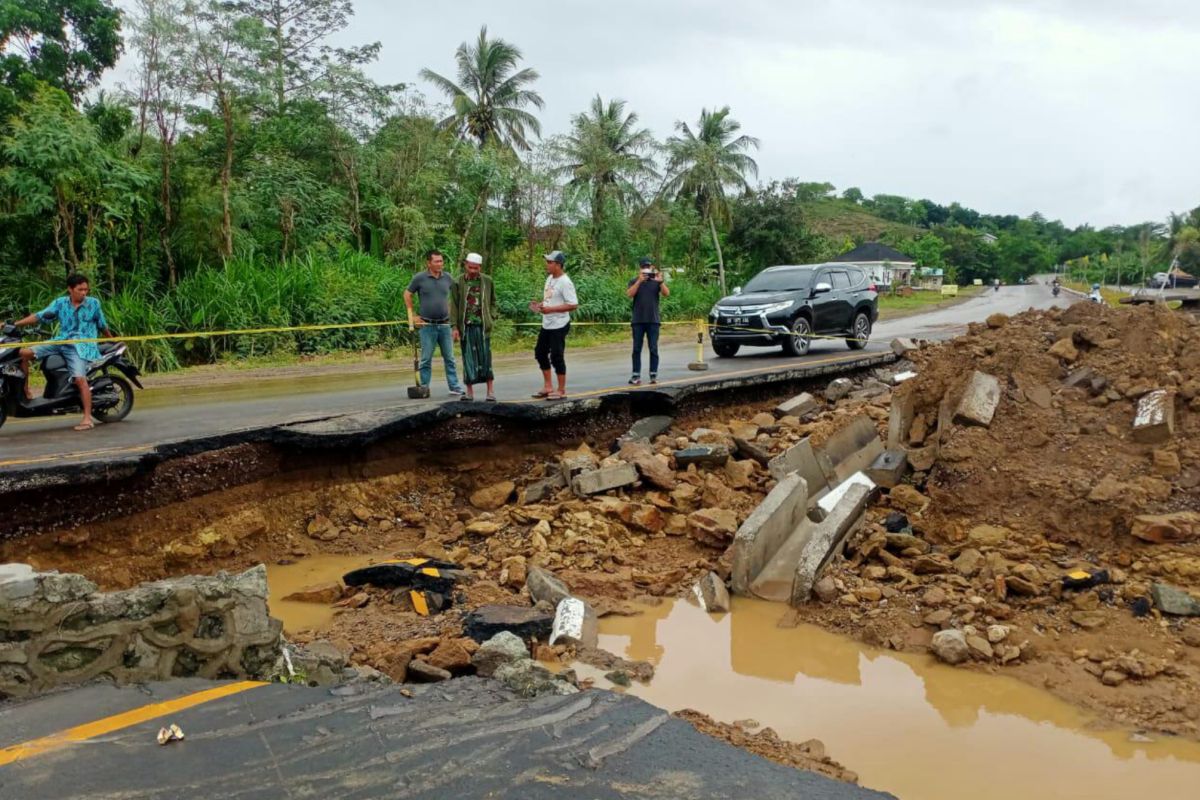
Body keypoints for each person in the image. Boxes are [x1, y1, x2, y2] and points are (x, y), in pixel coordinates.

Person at [14, 273, 112, 431]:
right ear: (70, 289)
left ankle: (87, 418)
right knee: (21, 354)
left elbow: (102, 324)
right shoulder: (60, 303)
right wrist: (14, 324)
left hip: (81, 345)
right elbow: (39, 316)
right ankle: (25, 391)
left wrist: (112, 339)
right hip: (60, 341)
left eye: (86, 290)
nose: (84, 293)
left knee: (80, 379)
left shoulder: (94, 304)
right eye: (80, 289)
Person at [404, 249, 466, 398]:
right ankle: (424, 388)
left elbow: (457, 296)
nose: (440, 264)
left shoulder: (448, 278)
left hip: (445, 325)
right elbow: (407, 294)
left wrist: (454, 317)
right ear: (428, 263)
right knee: (425, 359)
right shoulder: (420, 278)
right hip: (427, 325)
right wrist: (412, 315)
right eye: (437, 261)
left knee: (450, 358)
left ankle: (454, 387)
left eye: (441, 261)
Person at [451, 252, 498, 402]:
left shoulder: (487, 281)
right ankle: (469, 392)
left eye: (475, 268)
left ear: (480, 267)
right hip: (466, 327)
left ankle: (490, 392)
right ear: (466, 265)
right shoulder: (458, 283)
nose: (472, 271)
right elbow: (454, 305)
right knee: (468, 358)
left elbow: (493, 302)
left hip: (483, 326)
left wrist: (492, 316)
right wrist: (454, 327)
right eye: (470, 267)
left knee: (485, 358)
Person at [530, 250, 578, 400]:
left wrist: (551, 309)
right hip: (547, 323)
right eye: (547, 262)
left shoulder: (565, 282)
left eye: (550, 262)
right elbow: (549, 299)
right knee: (540, 352)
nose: (547, 265)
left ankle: (561, 389)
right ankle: (548, 386)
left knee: (557, 355)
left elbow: (573, 304)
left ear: (558, 265)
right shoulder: (550, 279)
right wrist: (540, 306)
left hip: (559, 324)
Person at [626, 256, 669, 385]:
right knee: (636, 349)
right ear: (640, 269)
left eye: (648, 267)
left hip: (653, 320)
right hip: (638, 320)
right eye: (643, 267)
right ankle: (636, 375)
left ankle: (653, 375)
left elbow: (666, 293)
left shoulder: (656, 282)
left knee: (653, 348)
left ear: (651, 267)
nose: (646, 269)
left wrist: (660, 282)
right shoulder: (634, 281)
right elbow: (629, 294)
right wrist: (639, 281)